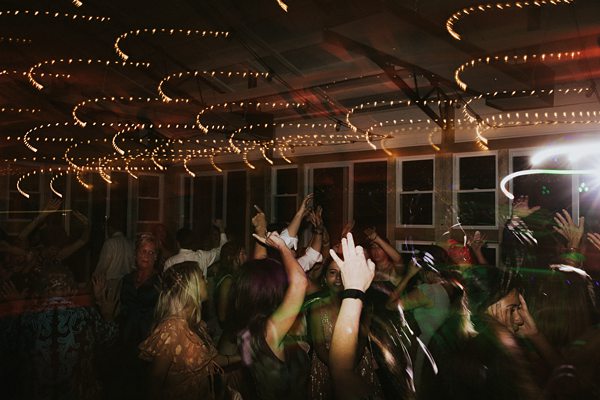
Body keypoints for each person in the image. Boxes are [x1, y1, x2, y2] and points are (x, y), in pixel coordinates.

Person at [139, 261, 238, 400]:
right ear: (191, 287)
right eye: (202, 278)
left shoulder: (196, 323)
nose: (207, 281)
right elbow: (155, 381)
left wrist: (240, 358)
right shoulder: (171, 330)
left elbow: (209, 361)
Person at [232, 231, 309, 400]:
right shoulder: (270, 330)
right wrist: (282, 246)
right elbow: (300, 282)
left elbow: (257, 276)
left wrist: (261, 231)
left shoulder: (249, 327)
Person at [308, 257, 381, 400]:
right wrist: (340, 371)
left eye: (342, 273)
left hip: (359, 361)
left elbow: (363, 337)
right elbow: (319, 345)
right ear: (324, 277)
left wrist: (351, 367)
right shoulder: (317, 306)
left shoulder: (361, 303)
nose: (337, 278)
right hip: (325, 365)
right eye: (332, 272)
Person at [93, 216, 134, 318]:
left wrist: (94, 283)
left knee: (108, 316)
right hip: (125, 284)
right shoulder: (130, 243)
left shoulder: (110, 243)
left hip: (110, 286)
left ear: (110, 227)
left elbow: (102, 267)